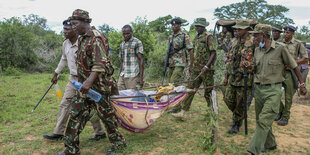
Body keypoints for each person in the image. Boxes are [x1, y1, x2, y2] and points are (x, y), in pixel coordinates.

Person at [55, 9, 126, 155]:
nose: (73, 27)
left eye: (75, 24)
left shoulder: (96, 38)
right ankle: (71, 149)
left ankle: (118, 144)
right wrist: (82, 83)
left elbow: (100, 64)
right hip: (84, 87)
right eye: (72, 24)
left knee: (107, 117)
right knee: (75, 114)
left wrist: (88, 82)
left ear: (85, 22)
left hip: (99, 87)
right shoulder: (82, 38)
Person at [246, 24, 307, 155]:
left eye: (256, 35)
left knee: (263, 121)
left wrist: (302, 84)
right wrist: (250, 67)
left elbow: (294, 66)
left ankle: (253, 150)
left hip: (273, 91)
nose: (253, 37)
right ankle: (271, 144)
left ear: (264, 35)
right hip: (259, 90)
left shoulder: (281, 49)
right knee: (260, 120)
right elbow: (256, 69)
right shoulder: (257, 50)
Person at [43, 19, 106, 142]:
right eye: (64, 29)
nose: (64, 32)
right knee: (65, 104)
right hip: (72, 79)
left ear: (74, 29)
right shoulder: (65, 43)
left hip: (87, 79)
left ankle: (100, 133)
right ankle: (58, 132)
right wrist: (56, 73)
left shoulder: (84, 42)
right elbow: (63, 59)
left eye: (67, 29)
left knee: (92, 106)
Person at [172, 18, 216, 120]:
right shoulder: (196, 37)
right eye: (196, 26)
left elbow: (213, 53)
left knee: (208, 92)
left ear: (203, 26)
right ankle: (184, 112)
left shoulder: (209, 37)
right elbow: (194, 53)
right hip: (196, 69)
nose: (197, 28)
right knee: (190, 89)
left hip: (207, 70)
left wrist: (206, 66)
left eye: (199, 26)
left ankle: (212, 113)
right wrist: (191, 66)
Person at [223, 19, 255, 134]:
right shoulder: (234, 41)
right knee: (228, 99)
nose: (236, 30)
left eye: (239, 29)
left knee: (240, 103)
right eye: (236, 28)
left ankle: (236, 123)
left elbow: (258, 60)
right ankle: (239, 116)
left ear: (246, 30)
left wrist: (251, 66)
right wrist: (226, 77)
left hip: (245, 79)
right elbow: (229, 59)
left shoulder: (253, 42)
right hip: (233, 77)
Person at [276, 25, 308, 126]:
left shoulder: (298, 44)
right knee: (275, 93)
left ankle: (285, 117)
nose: (285, 34)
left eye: (288, 33)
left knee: (288, 97)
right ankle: (280, 111)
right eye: (284, 32)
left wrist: (293, 63)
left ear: (293, 33)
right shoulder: (279, 43)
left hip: (291, 73)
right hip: (279, 72)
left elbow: (305, 59)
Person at [118, 24, 144, 90]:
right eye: (124, 34)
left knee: (132, 96)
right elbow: (122, 61)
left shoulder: (137, 42)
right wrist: (119, 75)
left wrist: (141, 78)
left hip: (133, 75)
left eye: (128, 33)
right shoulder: (122, 44)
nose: (125, 35)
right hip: (123, 75)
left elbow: (140, 60)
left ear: (131, 32)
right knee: (119, 94)